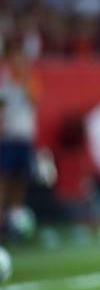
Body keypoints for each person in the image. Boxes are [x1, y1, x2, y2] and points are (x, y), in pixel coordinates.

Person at [0, 38, 40, 233]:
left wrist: (24, 83)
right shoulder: (5, 85)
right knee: (4, 178)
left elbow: (34, 103)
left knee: (20, 179)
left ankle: (16, 217)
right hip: (9, 138)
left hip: (24, 138)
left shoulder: (30, 83)